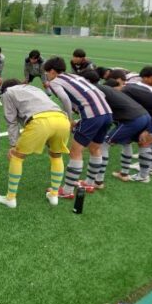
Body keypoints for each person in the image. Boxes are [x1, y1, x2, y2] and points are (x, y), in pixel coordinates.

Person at [43, 57, 112, 198]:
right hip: (107, 113)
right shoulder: (74, 76)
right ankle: (89, 183)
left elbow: (65, 99)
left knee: (75, 151)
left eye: (46, 73)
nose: (46, 76)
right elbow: (100, 93)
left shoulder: (55, 82)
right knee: (95, 148)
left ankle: (67, 190)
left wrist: (68, 119)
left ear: (51, 71)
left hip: (92, 116)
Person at [0, 79, 70, 207]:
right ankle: (54, 195)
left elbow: (11, 120)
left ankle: (10, 198)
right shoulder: (35, 88)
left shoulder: (7, 92)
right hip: (62, 120)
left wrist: (13, 145)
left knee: (17, 157)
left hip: (39, 121)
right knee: (56, 156)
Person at [82, 70, 151, 187]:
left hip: (132, 119)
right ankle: (129, 174)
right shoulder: (107, 89)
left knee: (104, 144)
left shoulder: (95, 90)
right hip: (145, 116)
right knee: (129, 142)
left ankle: (98, 181)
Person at [106, 77, 152, 182]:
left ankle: (143, 176)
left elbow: (134, 110)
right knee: (151, 140)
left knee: (144, 141)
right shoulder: (129, 88)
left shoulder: (125, 92)